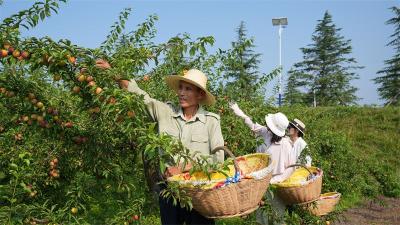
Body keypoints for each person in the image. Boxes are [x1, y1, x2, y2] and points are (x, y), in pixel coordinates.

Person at [96, 60, 224, 225]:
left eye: (188, 89)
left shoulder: (211, 121)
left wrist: (184, 167)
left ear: (200, 94)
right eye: (180, 88)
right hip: (169, 190)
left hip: (200, 192)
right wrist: (115, 74)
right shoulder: (165, 112)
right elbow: (140, 96)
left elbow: (218, 160)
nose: (181, 93)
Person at [229, 103, 295, 225]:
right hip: (259, 183)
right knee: (261, 217)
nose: (267, 127)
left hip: (275, 186)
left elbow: (291, 168)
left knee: (277, 217)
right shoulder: (265, 132)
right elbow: (252, 125)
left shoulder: (285, 145)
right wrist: (240, 113)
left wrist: (276, 180)